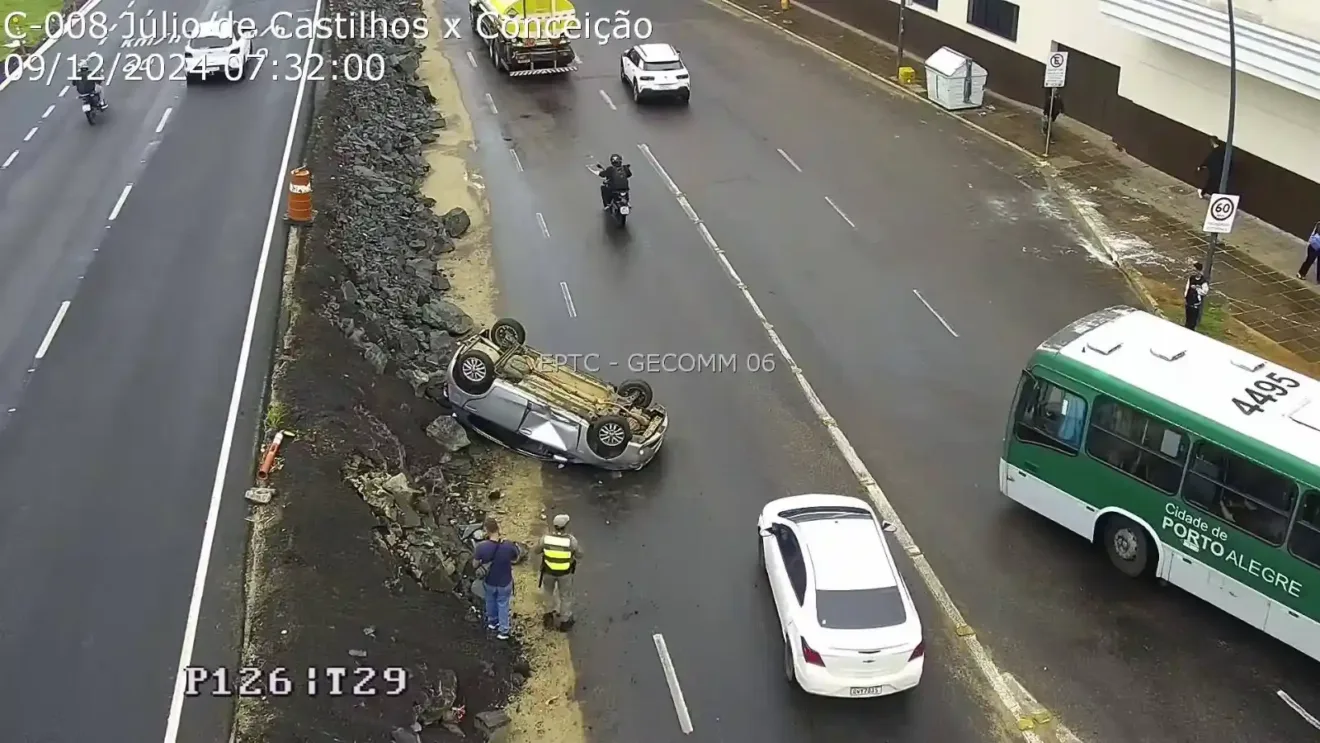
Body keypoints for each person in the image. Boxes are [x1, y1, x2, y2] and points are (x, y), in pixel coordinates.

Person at [531, 514, 583, 631]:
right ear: (565, 527)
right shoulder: (571, 541)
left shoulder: (546, 539)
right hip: (565, 574)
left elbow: (536, 550)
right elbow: (580, 555)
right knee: (565, 596)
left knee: (548, 593)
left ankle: (548, 618)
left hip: (548, 572)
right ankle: (564, 622)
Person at [473, 517, 520, 640]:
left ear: (486, 531)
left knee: (490, 601)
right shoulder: (508, 545)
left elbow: (474, 564)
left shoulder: (481, 547)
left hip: (489, 581)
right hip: (505, 582)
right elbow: (516, 557)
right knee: (503, 604)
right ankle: (503, 630)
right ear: (498, 529)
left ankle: (492, 622)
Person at [1184, 261, 1209, 331]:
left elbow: (1205, 292)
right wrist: (1186, 296)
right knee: (1187, 321)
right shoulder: (1191, 278)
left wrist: (1197, 289)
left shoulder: (1203, 281)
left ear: (1199, 271)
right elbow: (1187, 287)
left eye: (1195, 270)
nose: (1193, 272)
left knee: (1192, 323)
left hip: (1195, 304)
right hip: (1188, 302)